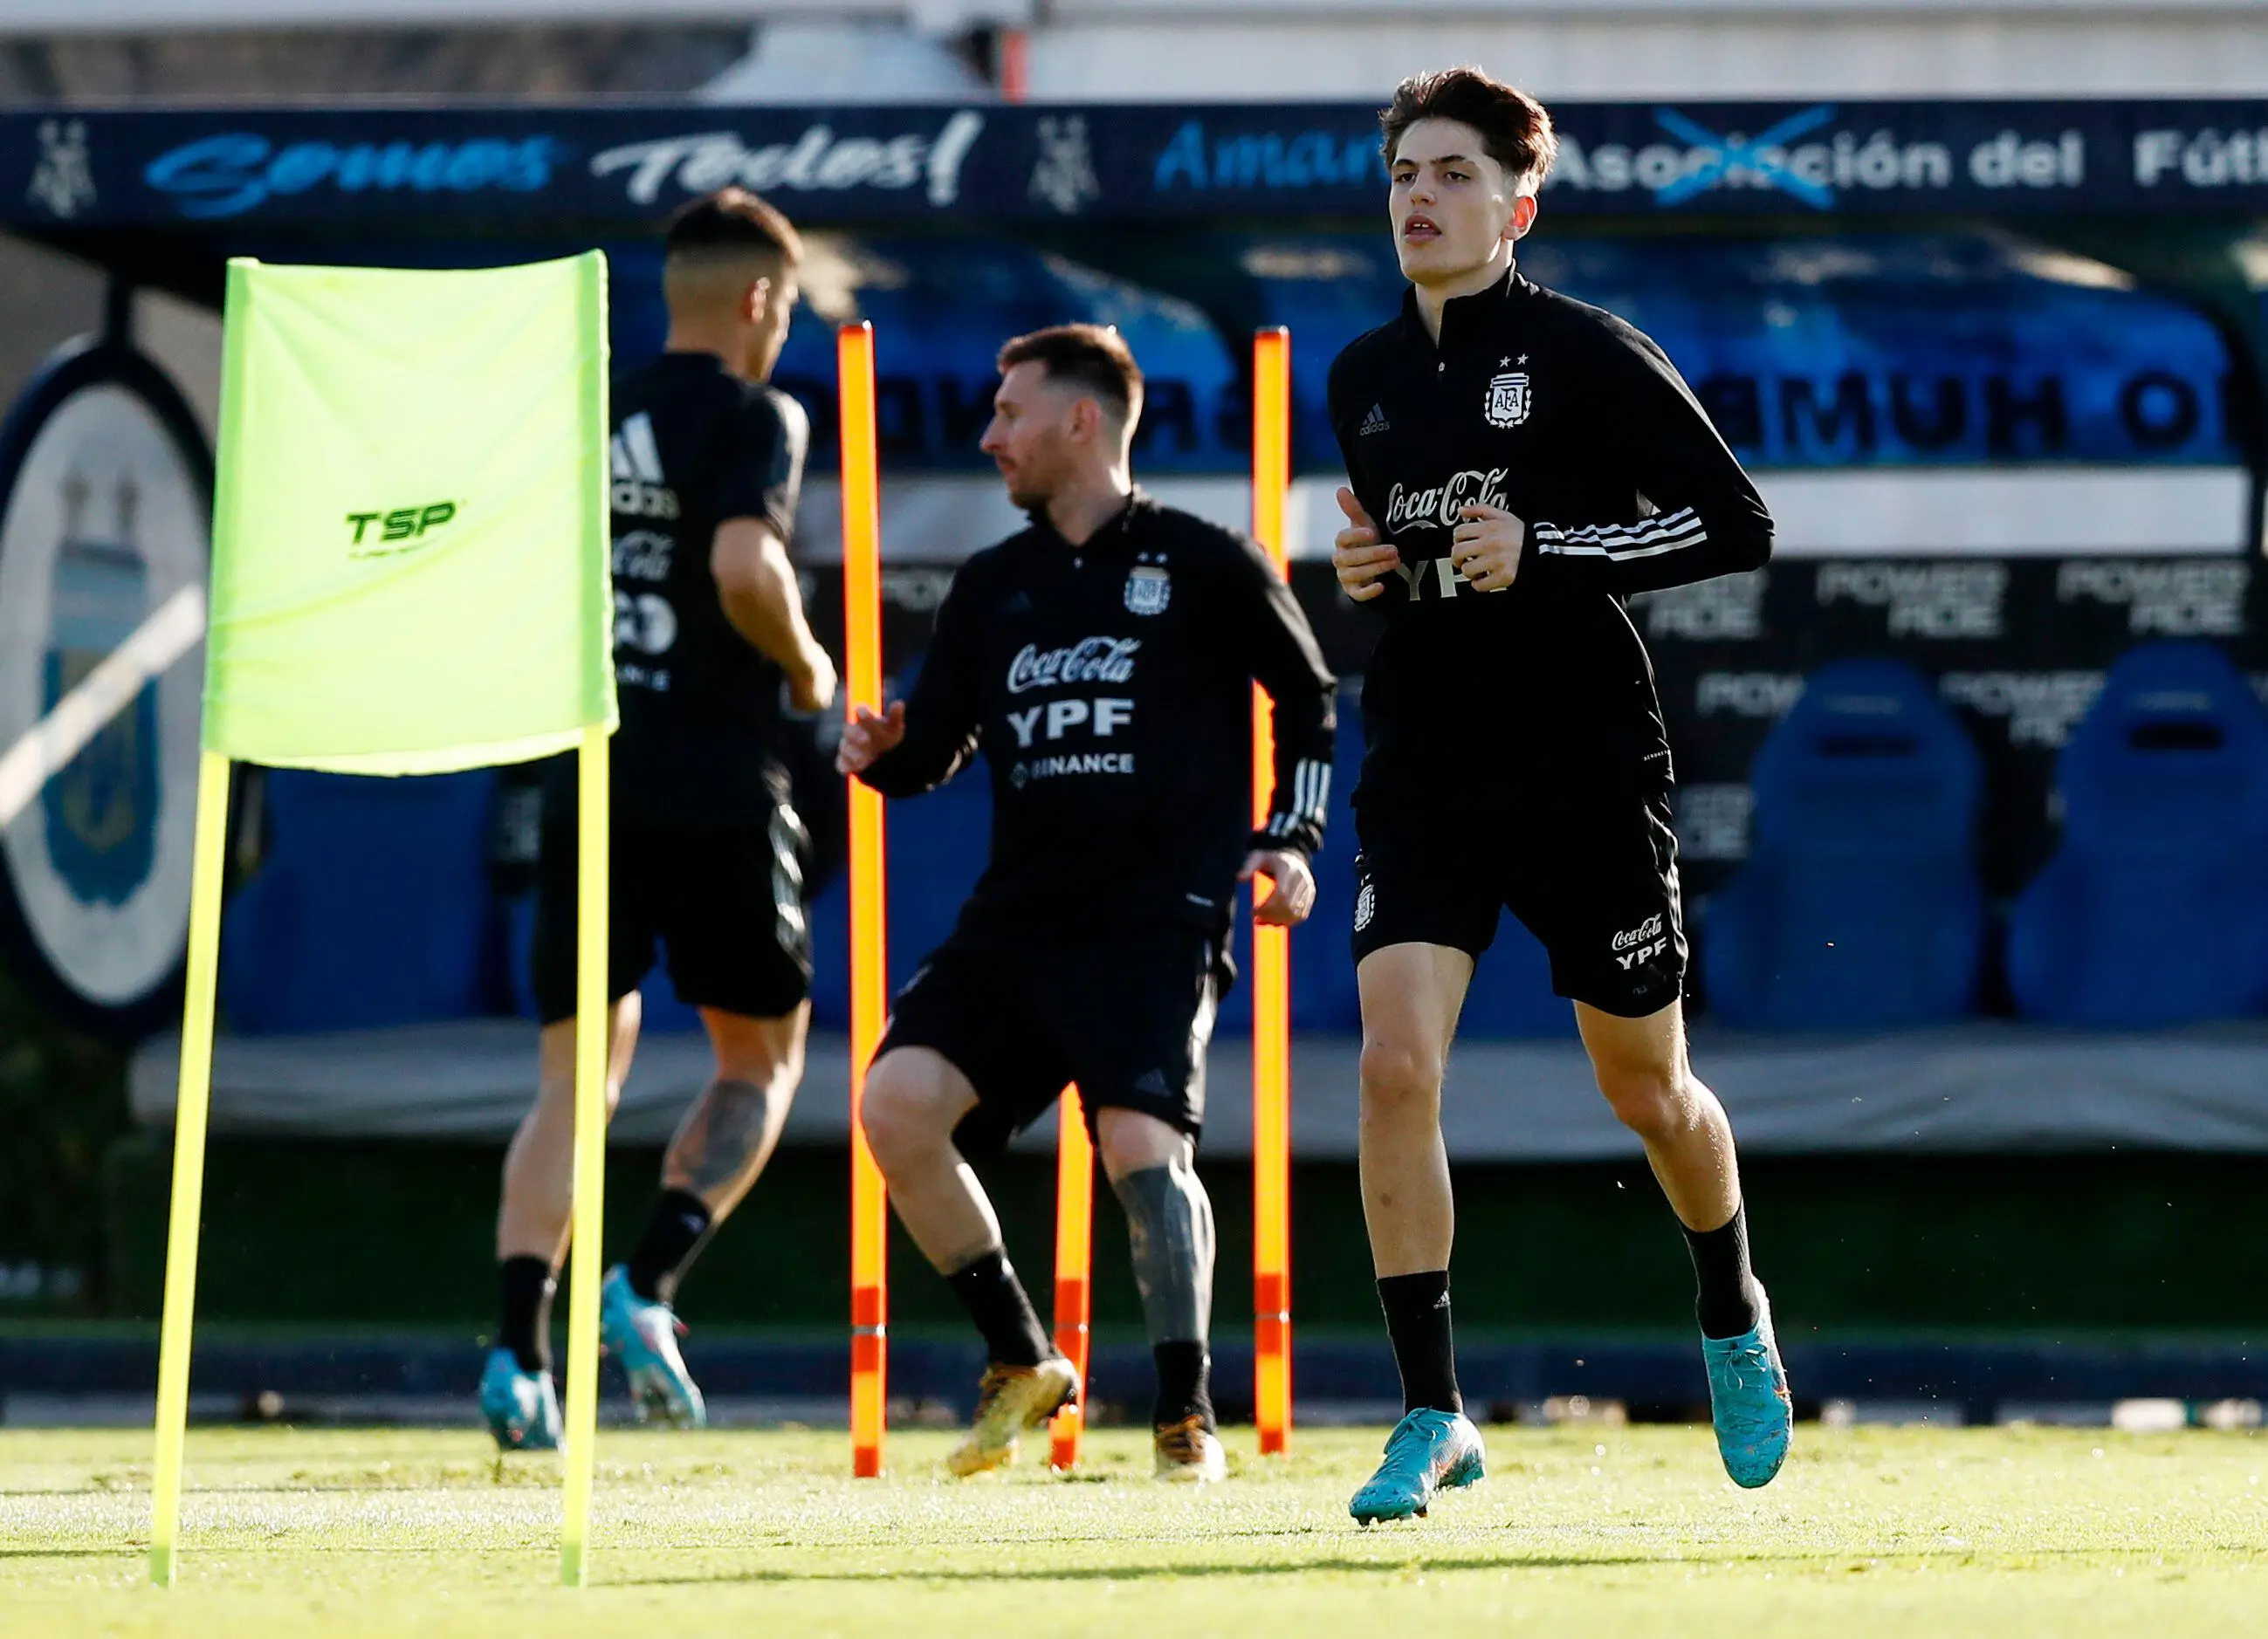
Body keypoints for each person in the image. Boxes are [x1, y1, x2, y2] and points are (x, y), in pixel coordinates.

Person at [1324, 68, 1790, 1523]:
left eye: (1454, 172)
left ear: (1518, 206)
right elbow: (1420, 562)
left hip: (1585, 767)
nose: (1420, 195)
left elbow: (1733, 523)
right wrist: (1371, 574)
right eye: (1405, 170)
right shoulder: (1361, 377)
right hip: (1426, 768)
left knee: (1645, 1089)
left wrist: (1551, 545)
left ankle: (1729, 1306)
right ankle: (1430, 1409)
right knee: (1395, 1064)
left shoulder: (1586, 351)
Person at [836, 324, 1336, 1483]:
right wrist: (882, 752)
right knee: (896, 1107)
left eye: (1009, 411)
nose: (988, 434)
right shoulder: (992, 585)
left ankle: (1184, 1413)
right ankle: (1021, 1357)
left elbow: (1309, 701)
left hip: (1156, 914)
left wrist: (1290, 839)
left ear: (1082, 419)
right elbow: (938, 745)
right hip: (1018, 918)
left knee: (1139, 1149)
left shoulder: (1206, 560)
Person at [479, 189, 836, 1450]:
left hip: (592, 771)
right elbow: (746, 566)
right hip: (718, 782)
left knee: (574, 1080)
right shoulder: (756, 416)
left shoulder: (592, 410)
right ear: (756, 300)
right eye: (788, 310)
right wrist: (807, 669)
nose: (786, 334)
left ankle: (519, 1357)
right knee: (763, 1057)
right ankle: (647, 1280)